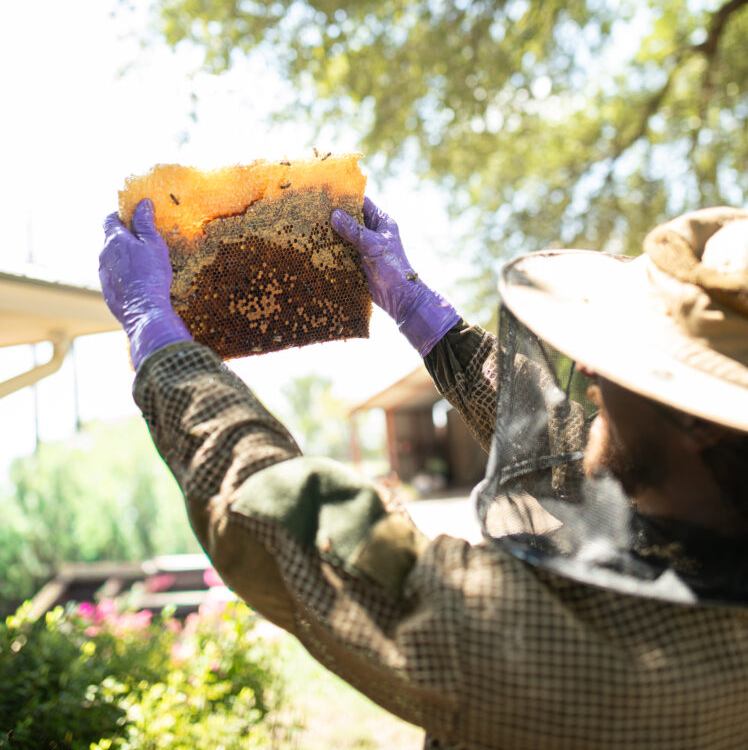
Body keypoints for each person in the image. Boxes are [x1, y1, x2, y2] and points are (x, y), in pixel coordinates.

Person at [99, 197, 748, 749]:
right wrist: (421, 311)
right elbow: (559, 447)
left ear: (701, 422)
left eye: (630, 359)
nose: (592, 370)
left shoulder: (593, 663)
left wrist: (158, 337)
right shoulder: (709, 506)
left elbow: (292, 525)